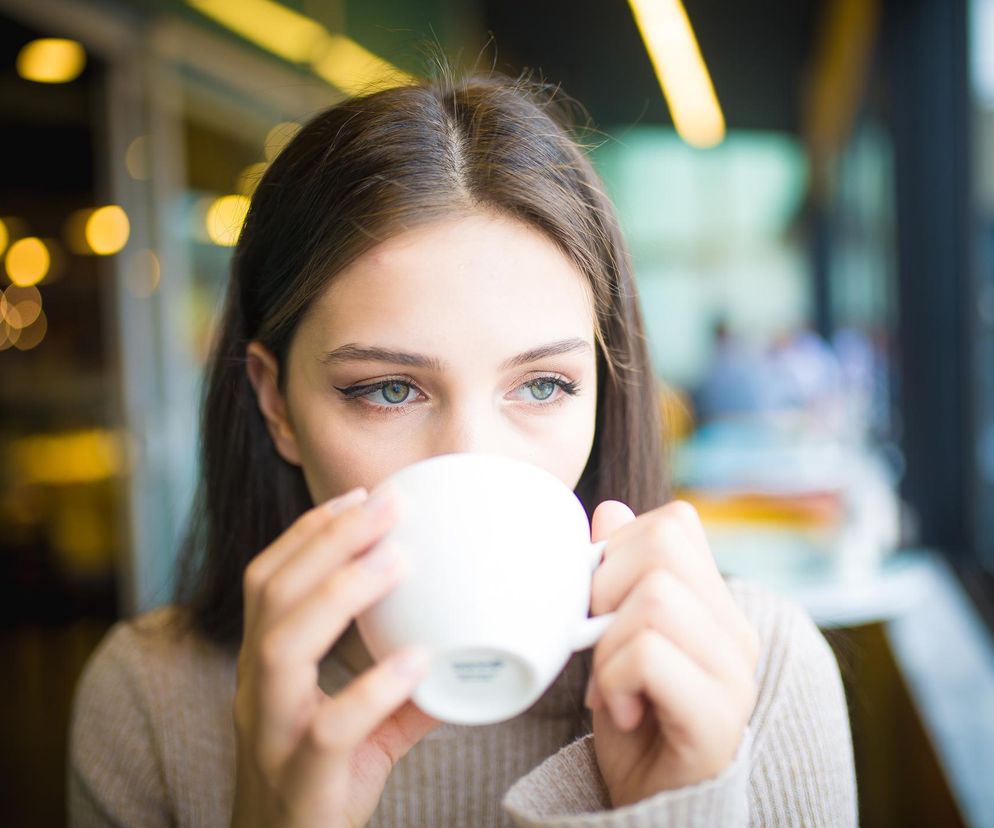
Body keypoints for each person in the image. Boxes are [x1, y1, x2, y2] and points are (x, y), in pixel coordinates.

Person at [68, 68, 857, 827]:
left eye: (543, 385)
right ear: (276, 405)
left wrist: (678, 808)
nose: (476, 460)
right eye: (388, 389)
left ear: (604, 386)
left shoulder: (759, 670)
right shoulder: (149, 700)